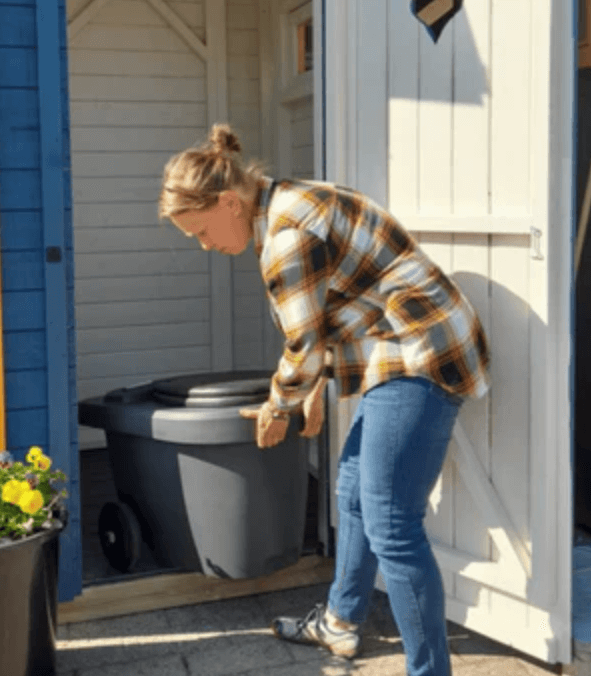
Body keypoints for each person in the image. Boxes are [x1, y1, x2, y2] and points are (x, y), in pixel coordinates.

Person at [159, 123, 490, 676]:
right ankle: (340, 623)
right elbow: (346, 301)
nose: (206, 245)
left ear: (229, 203)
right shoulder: (292, 198)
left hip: (420, 352)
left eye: (202, 231)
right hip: (397, 346)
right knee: (354, 491)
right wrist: (315, 384)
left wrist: (279, 405)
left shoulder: (287, 233)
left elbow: (303, 342)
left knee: (391, 523)